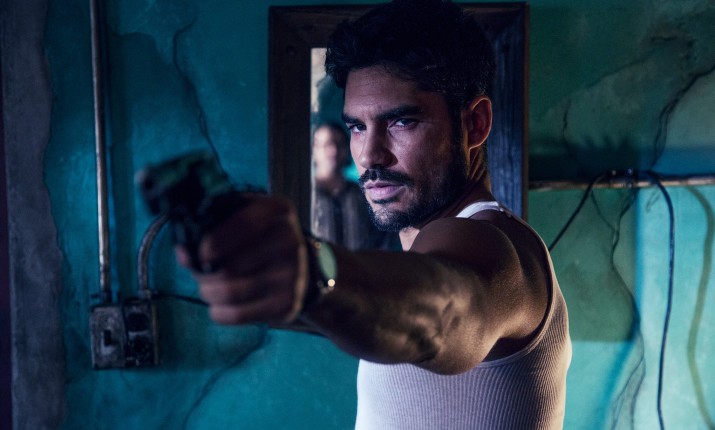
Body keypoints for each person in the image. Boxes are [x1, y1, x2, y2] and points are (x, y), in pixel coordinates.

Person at [178, 0, 571, 428]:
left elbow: (447, 311)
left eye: (401, 122)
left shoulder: (491, 244)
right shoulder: (427, 244)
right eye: (357, 127)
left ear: (474, 124)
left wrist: (311, 272)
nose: (369, 155)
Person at [312, 121, 400, 250]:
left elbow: (385, 237)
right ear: (313, 150)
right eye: (326, 144)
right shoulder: (305, 195)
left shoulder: (365, 194)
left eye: (339, 144)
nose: (333, 151)